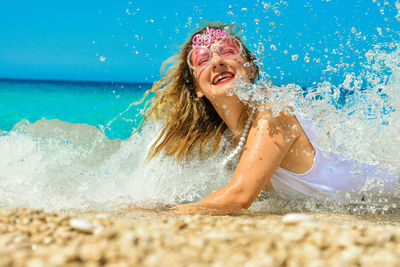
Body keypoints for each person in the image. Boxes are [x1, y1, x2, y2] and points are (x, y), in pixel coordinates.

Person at [137, 22, 398, 215]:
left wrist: (159, 217)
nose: (216, 61)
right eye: (202, 58)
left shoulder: (273, 114)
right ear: (197, 88)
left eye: (228, 50)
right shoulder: (230, 142)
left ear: (251, 68)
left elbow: (238, 197)